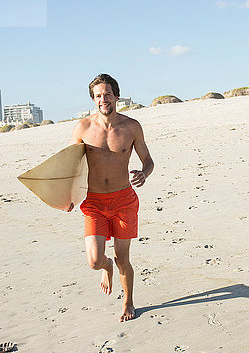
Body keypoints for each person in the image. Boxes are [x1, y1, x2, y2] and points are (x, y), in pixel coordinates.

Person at [70, 73, 154, 322]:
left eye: (107, 94)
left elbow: (148, 160)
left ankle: (128, 302)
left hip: (124, 200)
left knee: (123, 258)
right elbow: (70, 168)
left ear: (116, 96)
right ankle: (106, 268)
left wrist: (144, 173)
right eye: (98, 96)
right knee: (95, 261)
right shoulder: (82, 128)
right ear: (93, 99)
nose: (103, 99)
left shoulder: (131, 127)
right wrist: (67, 197)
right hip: (94, 202)